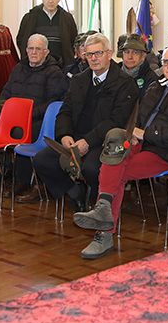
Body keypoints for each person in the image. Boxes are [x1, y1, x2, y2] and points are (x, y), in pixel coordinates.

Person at [73, 45, 168, 259]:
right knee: (114, 148)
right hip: (141, 143)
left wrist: (146, 134)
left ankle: (104, 231)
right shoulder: (156, 86)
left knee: (117, 168)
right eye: (165, 62)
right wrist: (132, 133)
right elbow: (138, 119)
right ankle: (103, 212)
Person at [31, 33, 139, 212]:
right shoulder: (79, 80)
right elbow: (65, 111)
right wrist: (64, 135)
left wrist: (88, 142)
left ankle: (100, 209)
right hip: (75, 138)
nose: (94, 59)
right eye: (89, 54)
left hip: (103, 141)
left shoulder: (125, 83)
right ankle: (75, 193)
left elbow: (116, 121)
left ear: (109, 53)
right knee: (42, 160)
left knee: (91, 168)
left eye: (98, 53)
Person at [0, 33, 70, 199]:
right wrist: (0, 110)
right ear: (26, 50)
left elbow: (53, 102)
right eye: (31, 48)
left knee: (19, 134)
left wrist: (27, 114)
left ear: (46, 52)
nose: (34, 52)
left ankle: (23, 181)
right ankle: (7, 167)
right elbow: (6, 92)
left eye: (38, 49)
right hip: (13, 118)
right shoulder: (18, 68)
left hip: (38, 120)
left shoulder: (53, 72)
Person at [16, 0, 79, 70]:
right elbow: (21, 39)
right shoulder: (30, 17)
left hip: (61, 64)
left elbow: (73, 39)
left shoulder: (67, 18)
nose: (50, 1)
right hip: (36, 65)